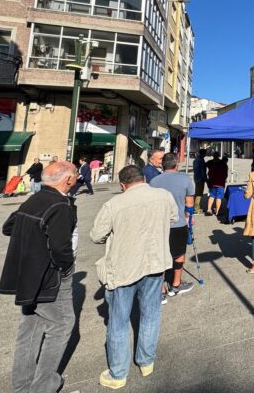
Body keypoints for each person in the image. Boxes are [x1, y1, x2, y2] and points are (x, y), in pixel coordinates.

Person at [91, 165, 178, 389]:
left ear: (123, 185)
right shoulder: (163, 196)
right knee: (151, 314)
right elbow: (173, 217)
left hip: (124, 268)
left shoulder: (115, 204)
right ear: (143, 178)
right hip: (156, 262)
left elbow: (96, 236)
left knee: (118, 322)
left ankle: (118, 373)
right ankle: (146, 361)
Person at [0, 161, 78, 393]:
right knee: (61, 325)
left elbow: (8, 226)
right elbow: (60, 247)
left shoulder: (35, 199)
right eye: (74, 176)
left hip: (27, 275)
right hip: (49, 276)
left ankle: (22, 386)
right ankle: (44, 386)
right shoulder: (60, 205)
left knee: (30, 327)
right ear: (68, 180)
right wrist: (66, 268)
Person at [150, 153, 196, 297]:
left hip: (159, 224)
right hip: (179, 223)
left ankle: (161, 289)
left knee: (160, 255)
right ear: (176, 164)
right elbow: (189, 205)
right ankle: (176, 284)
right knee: (179, 254)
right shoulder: (186, 180)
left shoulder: (154, 181)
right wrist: (189, 218)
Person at [205, 152, 228, 216]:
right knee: (219, 197)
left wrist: (207, 177)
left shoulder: (210, 162)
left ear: (213, 156)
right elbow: (225, 174)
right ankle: (217, 212)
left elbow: (204, 165)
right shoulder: (223, 163)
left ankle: (209, 209)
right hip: (220, 183)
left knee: (212, 196)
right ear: (218, 156)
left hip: (212, 182)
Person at [193, 149, 208, 214]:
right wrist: (206, 179)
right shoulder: (201, 160)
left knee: (197, 192)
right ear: (203, 154)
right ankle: (196, 208)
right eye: (205, 153)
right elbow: (202, 172)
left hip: (196, 178)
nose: (205, 155)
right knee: (199, 194)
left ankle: (197, 206)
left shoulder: (195, 160)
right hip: (200, 179)